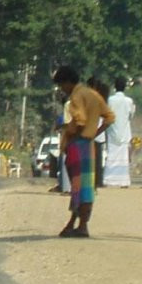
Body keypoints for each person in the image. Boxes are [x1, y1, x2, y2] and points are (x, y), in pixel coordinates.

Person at [53, 66, 109, 237]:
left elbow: (80, 121)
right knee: (86, 187)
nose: (63, 89)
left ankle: (73, 224)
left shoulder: (76, 96)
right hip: (89, 145)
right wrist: (94, 134)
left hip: (76, 144)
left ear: (68, 82)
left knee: (77, 187)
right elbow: (109, 117)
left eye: (62, 85)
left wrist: (66, 129)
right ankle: (82, 225)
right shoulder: (94, 95)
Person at [103, 75, 135, 188]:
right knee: (123, 158)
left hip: (112, 132)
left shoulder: (110, 100)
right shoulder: (129, 101)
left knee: (112, 156)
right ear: (125, 87)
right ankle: (124, 182)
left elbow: (107, 114)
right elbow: (131, 115)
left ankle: (109, 180)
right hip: (125, 132)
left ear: (115, 87)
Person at [88, 76, 112, 187]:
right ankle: (98, 181)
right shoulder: (102, 99)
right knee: (98, 159)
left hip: (92, 131)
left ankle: (93, 182)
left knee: (91, 160)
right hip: (99, 133)